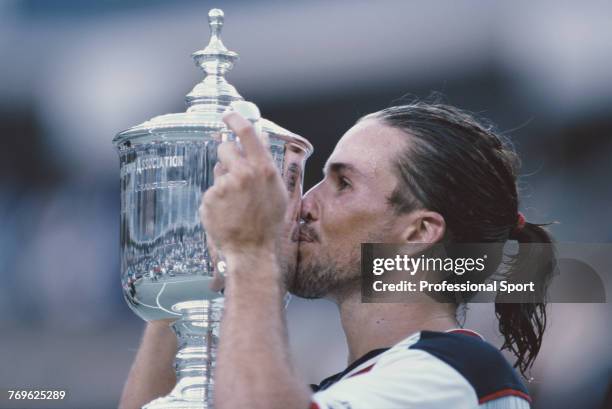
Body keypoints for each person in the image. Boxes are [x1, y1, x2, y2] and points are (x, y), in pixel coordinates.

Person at [119, 102, 555, 409]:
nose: (303, 203)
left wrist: (253, 255)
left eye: (342, 184)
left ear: (420, 231)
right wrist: (193, 275)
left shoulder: (458, 373)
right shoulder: (345, 387)